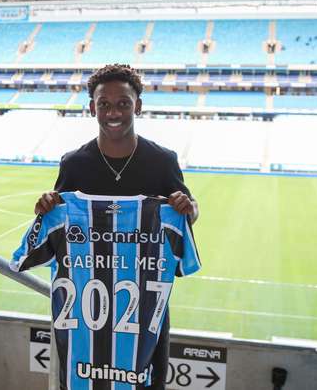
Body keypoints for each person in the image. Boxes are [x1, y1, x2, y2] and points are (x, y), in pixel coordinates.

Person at [34, 63, 198, 389]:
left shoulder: (163, 161)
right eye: (103, 103)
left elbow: (186, 217)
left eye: (123, 103)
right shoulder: (74, 163)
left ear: (138, 105)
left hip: (147, 312)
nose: (113, 111)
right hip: (84, 315)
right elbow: (59, 233)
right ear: (91, 107)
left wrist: (189, 208)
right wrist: (46, 208)